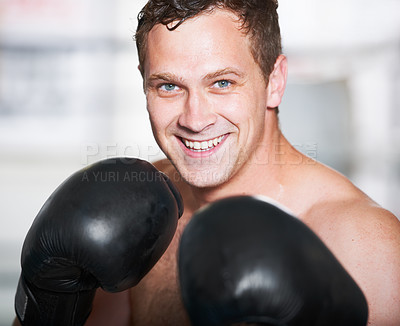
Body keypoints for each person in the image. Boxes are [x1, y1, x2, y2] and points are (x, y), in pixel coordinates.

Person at [13, 0, 400, 325]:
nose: (195, 120)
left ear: (275, 80)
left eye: (222, 83)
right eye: (168, 86)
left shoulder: (365, 246)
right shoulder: (134, 212)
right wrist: (46, 301)